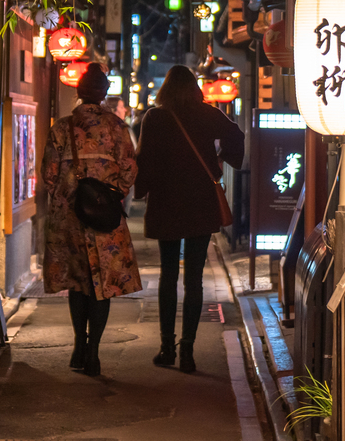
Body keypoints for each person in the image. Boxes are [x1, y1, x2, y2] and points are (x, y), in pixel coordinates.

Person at [133, 65, 244, 372]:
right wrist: (221, 158)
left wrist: (141, 190)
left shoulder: (155, 118)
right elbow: (236, 135)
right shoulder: (208, 115)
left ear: (165, 90)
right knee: (194, 277)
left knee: (169, 274)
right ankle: (188, 352)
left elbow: (144, 160)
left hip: (167, 202)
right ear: (195, 89)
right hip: (200, 203)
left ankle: (166, 347)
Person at [41, 60, 141, 376]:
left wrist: (68, 190)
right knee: (102, 284)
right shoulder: (117, 128)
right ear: (104, 93)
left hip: (69, 216)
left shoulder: (61, 128)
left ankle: (78, 346)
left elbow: (48, 174)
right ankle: (94, 351)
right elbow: (129, 169)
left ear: (79, 92)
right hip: (105, 216)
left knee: (78, 283)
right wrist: (114, 191)